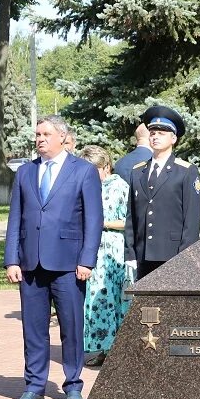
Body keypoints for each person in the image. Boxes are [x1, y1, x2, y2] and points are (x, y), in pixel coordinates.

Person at [4, 115, 102, 399]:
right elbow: (15, 219)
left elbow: (93, 220)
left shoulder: (83, 171)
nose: (39, 139)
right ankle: (34, 385)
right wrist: (12, 259)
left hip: (69, 264)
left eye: (45, 134)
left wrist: (87, 260)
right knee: (33, 328)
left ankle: (73, 384)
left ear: (62, 137)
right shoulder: (25, 172)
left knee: (71, 326)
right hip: (31, 263)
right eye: (37, 134)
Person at [123, 105, 200, 280]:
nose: (156, 136)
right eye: (152, 133)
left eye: (162, 133)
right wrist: (130, 254)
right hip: (143, 255)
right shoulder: (138, 171)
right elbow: (132, 217)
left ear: (173, 138)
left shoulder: (186, 171)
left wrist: (185, 257)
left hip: (172, 254)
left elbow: (191, 220)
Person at [78, 145, 131, 367]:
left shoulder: (120, 187)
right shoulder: (89, 186)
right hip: (92, 251)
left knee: (111, 298)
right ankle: (103, 348)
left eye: (94, 169)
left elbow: (129, 220)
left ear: (105, 166)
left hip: (112, 249)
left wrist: (103, 223)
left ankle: (117, 349)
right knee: (95, 300)